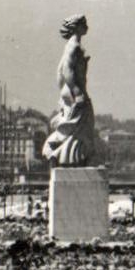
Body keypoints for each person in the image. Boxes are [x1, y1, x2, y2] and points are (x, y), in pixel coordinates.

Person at [42, 15, 98, 166]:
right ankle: (62, 155)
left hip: (71, 93)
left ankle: (63, 155)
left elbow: (59, 71)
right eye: (83, 23)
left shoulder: (71, 45)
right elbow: (66, 70)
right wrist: (77, 92)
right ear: (76, 27)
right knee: (81, 125)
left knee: (76, 126)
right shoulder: (74, 46)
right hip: (76, 93)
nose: (87, 26)